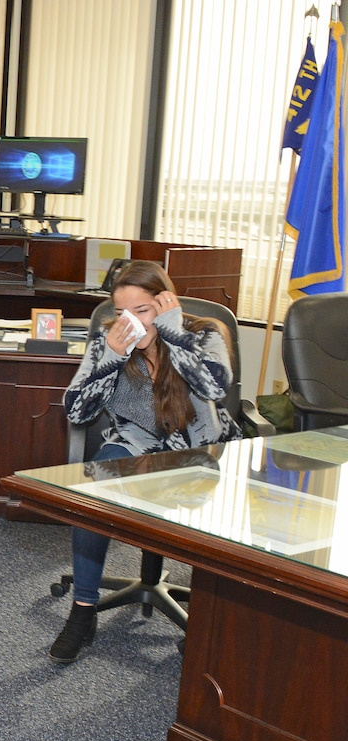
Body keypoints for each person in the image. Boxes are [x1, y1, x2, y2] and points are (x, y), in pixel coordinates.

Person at [49, 260, 242, 663]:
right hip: (135, 444)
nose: (131, 322)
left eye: (143, 311)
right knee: (93, 491)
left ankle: (208, 620)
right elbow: (76, 412)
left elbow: (214, 385)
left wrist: (172, 333)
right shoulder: (109, 342)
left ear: (165, 305)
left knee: (216, 521)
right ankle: (83, 610)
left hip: (200, 449)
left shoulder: (202, 333)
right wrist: (112, 360)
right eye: (121, 313)